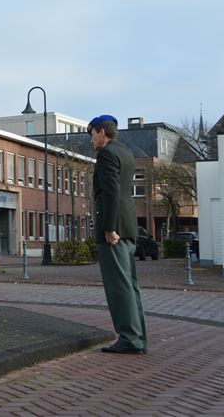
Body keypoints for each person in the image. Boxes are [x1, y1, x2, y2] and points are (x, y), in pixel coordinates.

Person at [88, 114, 148, 355]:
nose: (91, 139)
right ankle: (138, 336)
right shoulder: (125, 152)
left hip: (115, 229)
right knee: (130, 285)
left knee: (118, 286)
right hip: (128, 225)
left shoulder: (106, 154)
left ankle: (130, 338)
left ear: (102, 132)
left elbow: (111, 192)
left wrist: (109, 228)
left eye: (92, 133)